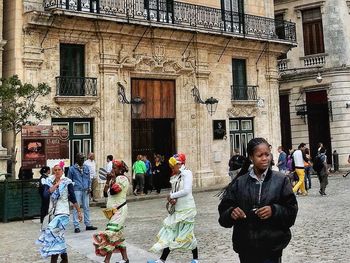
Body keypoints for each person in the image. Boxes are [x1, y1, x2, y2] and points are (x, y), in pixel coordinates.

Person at [218, 138, 298, 263]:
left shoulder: (281, 180)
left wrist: (274, 210)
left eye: (267, 154)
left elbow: (291, 212)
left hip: (272, 247)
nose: (265, 158)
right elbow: (223, 214)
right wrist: (231, 212)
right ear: (251, 157)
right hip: (246, 247)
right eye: (260, 155)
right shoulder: (239, 183)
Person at [147, 153, 199, 263]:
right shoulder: (176, 176)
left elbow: (186, 190)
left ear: (179, 164)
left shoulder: (187, 173)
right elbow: (175, 190)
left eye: (173, 166)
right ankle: (162, 260)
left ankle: (195, 258)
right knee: (171, 231)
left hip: (187, 209)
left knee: (188, 234)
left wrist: (172, 196)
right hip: (178, 209)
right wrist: (172, 198)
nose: (171, 168)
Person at [37, 163, 83, 263]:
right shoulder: (50, 181)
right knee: (59, 236)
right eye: (55, 170)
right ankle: (64, 258)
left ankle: (54, 260)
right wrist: (56, 185)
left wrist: (79, 211)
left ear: (62, 171)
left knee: (52, 231)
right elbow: (45, 194)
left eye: (59, 169)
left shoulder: (67, 182)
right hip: (53, 213)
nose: (57, 171)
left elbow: (72, 197)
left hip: (63, 212)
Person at [93, 160, 130, 263]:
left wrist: (112, 178)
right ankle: (125, 259)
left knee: (111, 234)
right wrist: (107, 181)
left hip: (120, 211)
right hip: (113, 212)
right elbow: (105, 194)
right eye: (112, 167)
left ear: (120, 169)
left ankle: (107, 260)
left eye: (114, 168)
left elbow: (114, 191)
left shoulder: (122, 179)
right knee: (118, 235)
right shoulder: (113, 179)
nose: (112, 169)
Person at [68, 152, 98, 233]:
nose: (82, 160)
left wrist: (89, 187)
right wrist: (70, 192)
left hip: (85, 189)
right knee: (76, 208)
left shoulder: (86, 168)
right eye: (81, 158)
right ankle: (76, 226)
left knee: (86, 207)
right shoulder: (71, 169)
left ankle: (88, 224)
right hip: (77, 189)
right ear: (77, 159)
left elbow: (89, 179)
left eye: (83, 158)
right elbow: (69, 181)